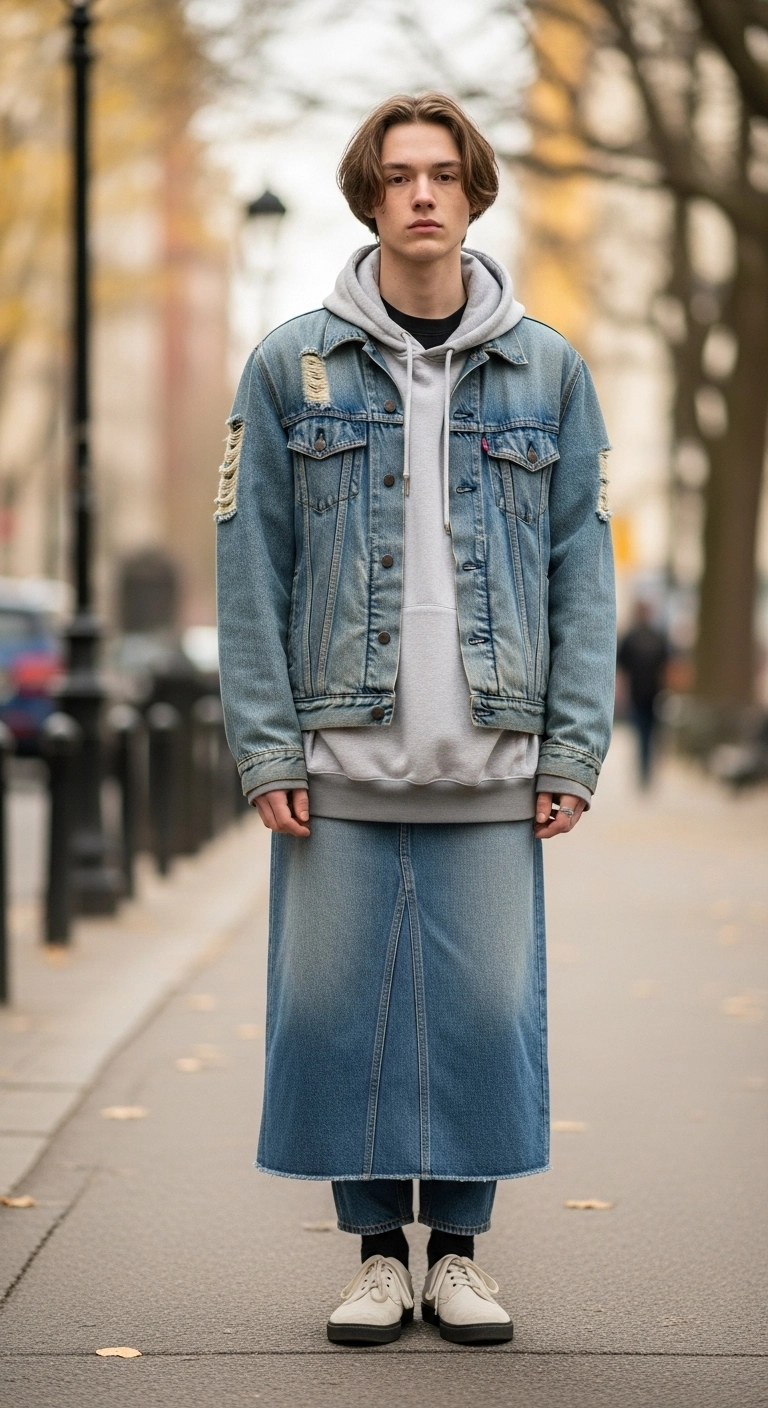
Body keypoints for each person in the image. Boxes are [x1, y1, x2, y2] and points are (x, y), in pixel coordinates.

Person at [216, 92, 615, 1347]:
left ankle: (462, 1257)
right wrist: (267, 746)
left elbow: (583, 570)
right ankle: (381, 1255)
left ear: (475, 193)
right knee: (343, 1014)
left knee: (485, 1014)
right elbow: (251, 566)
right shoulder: (291, 365)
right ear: (370, 197)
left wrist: (574, 744)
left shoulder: (549, 369)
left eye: (444, 173)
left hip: (493, 755)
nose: (424, 195)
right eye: (400, 177)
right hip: (338, 756)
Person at [617, 600, 669, 787]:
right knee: (648, 734)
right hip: (651, 694)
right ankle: (646, 771)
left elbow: (622, 668)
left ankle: (644, 771)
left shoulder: (633, 637)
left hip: (644, 694)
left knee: (643, 734)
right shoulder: (656, 637)